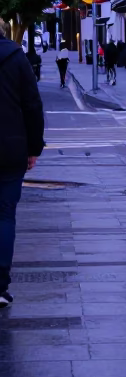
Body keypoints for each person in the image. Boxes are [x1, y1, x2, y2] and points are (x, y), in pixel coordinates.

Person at [0, 17, 45, 306]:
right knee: (4, 216)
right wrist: (33, 148)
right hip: (9, 148)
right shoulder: (16, 57)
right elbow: (32, 104)